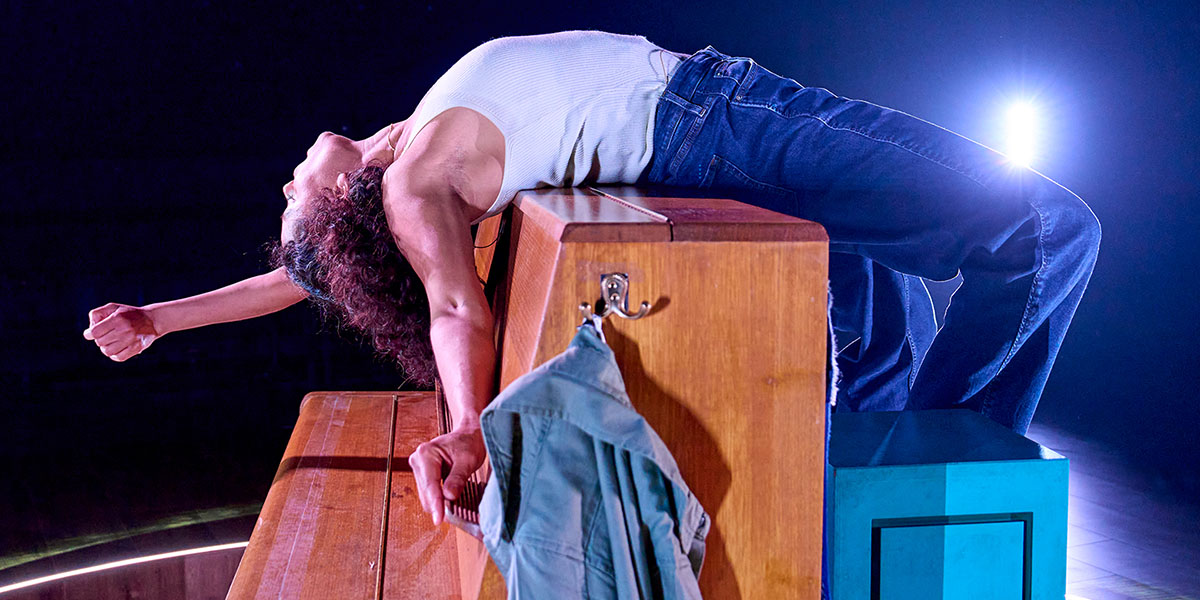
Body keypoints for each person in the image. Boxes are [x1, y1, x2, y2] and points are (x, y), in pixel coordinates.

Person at [83, 30, 1100, 527]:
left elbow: (297, 278)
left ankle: (898, 533)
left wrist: (161, 320)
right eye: (292, 196)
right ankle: (947, 504)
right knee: (1049, 230)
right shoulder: (411, 191)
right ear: (341, 201)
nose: (285, 182)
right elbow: (449, 304)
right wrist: (470, 424)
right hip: (716, 121)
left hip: (710, 127)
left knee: (887, 337)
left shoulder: (400, 153)